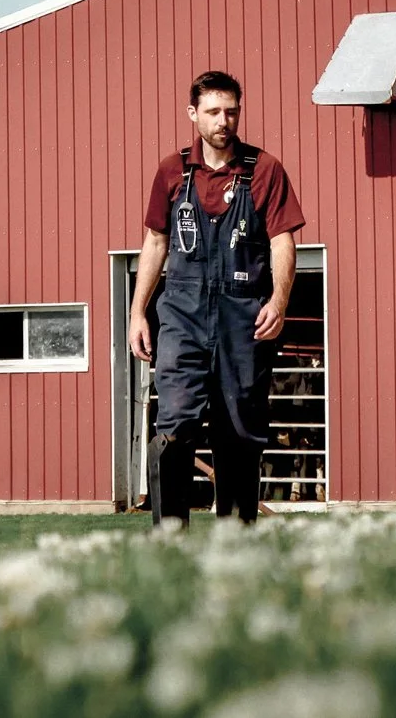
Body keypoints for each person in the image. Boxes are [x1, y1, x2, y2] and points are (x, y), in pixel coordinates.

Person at [126, 69, 305, 523]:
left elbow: (284, 242)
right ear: (194, 115)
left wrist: (278, 302)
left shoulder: (264, 170)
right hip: (181, 317)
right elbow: (155, 243)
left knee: (239, 430)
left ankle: (236, 539)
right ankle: (169, 539)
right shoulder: (172, 171)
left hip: (243, 319)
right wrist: (137, 313)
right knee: (175, 421)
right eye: (213, 112)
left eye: (231, 111)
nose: (223, 121)